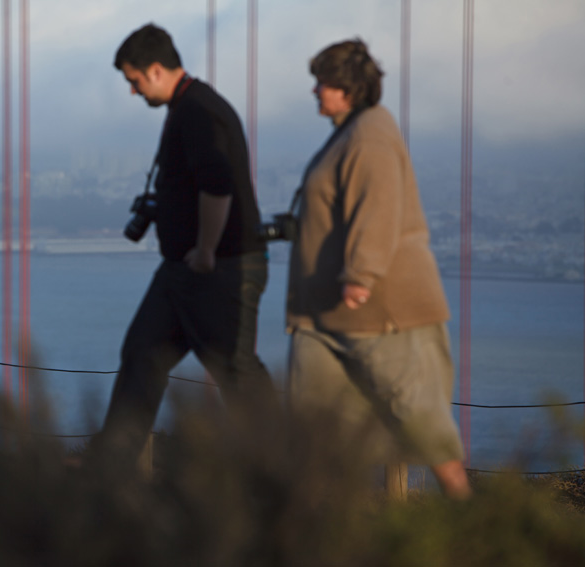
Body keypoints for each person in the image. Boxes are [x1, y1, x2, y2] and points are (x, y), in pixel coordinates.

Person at [285, 39, 471, 499]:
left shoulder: (370, 134)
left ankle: (468, 510)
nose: (315, 91)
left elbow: (379, 205)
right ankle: (320, 526)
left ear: (349, 89)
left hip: (379, 310)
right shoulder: (348, 131)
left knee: (419, 416)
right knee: (311, 424)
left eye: (323, 84)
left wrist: (361, 276)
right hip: (322, 316)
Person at [91, 23, 278, 466]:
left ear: (156, 70)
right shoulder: (189, 107)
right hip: (185, 270)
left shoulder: (197, 111)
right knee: (142, 352)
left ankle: (284, 468)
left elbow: (217, 183)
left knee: (235, 370)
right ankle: (111, 467)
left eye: (134, 81)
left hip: (216, 267)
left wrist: (207, 249)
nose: (134, 93)